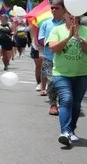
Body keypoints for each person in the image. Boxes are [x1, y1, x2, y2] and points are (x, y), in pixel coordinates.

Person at [46, 10, 87, 147]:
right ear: (64, 15)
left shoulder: (85, 30)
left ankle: (71, 131)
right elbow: (53, 48)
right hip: (61, 73)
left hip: (82, 73)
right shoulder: (57, 30)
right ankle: (64, 132)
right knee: (66, 99)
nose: (72, 16)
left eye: (76, 13)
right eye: (69, 13)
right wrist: (69, 37)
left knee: (76, 104)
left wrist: (79, 38)